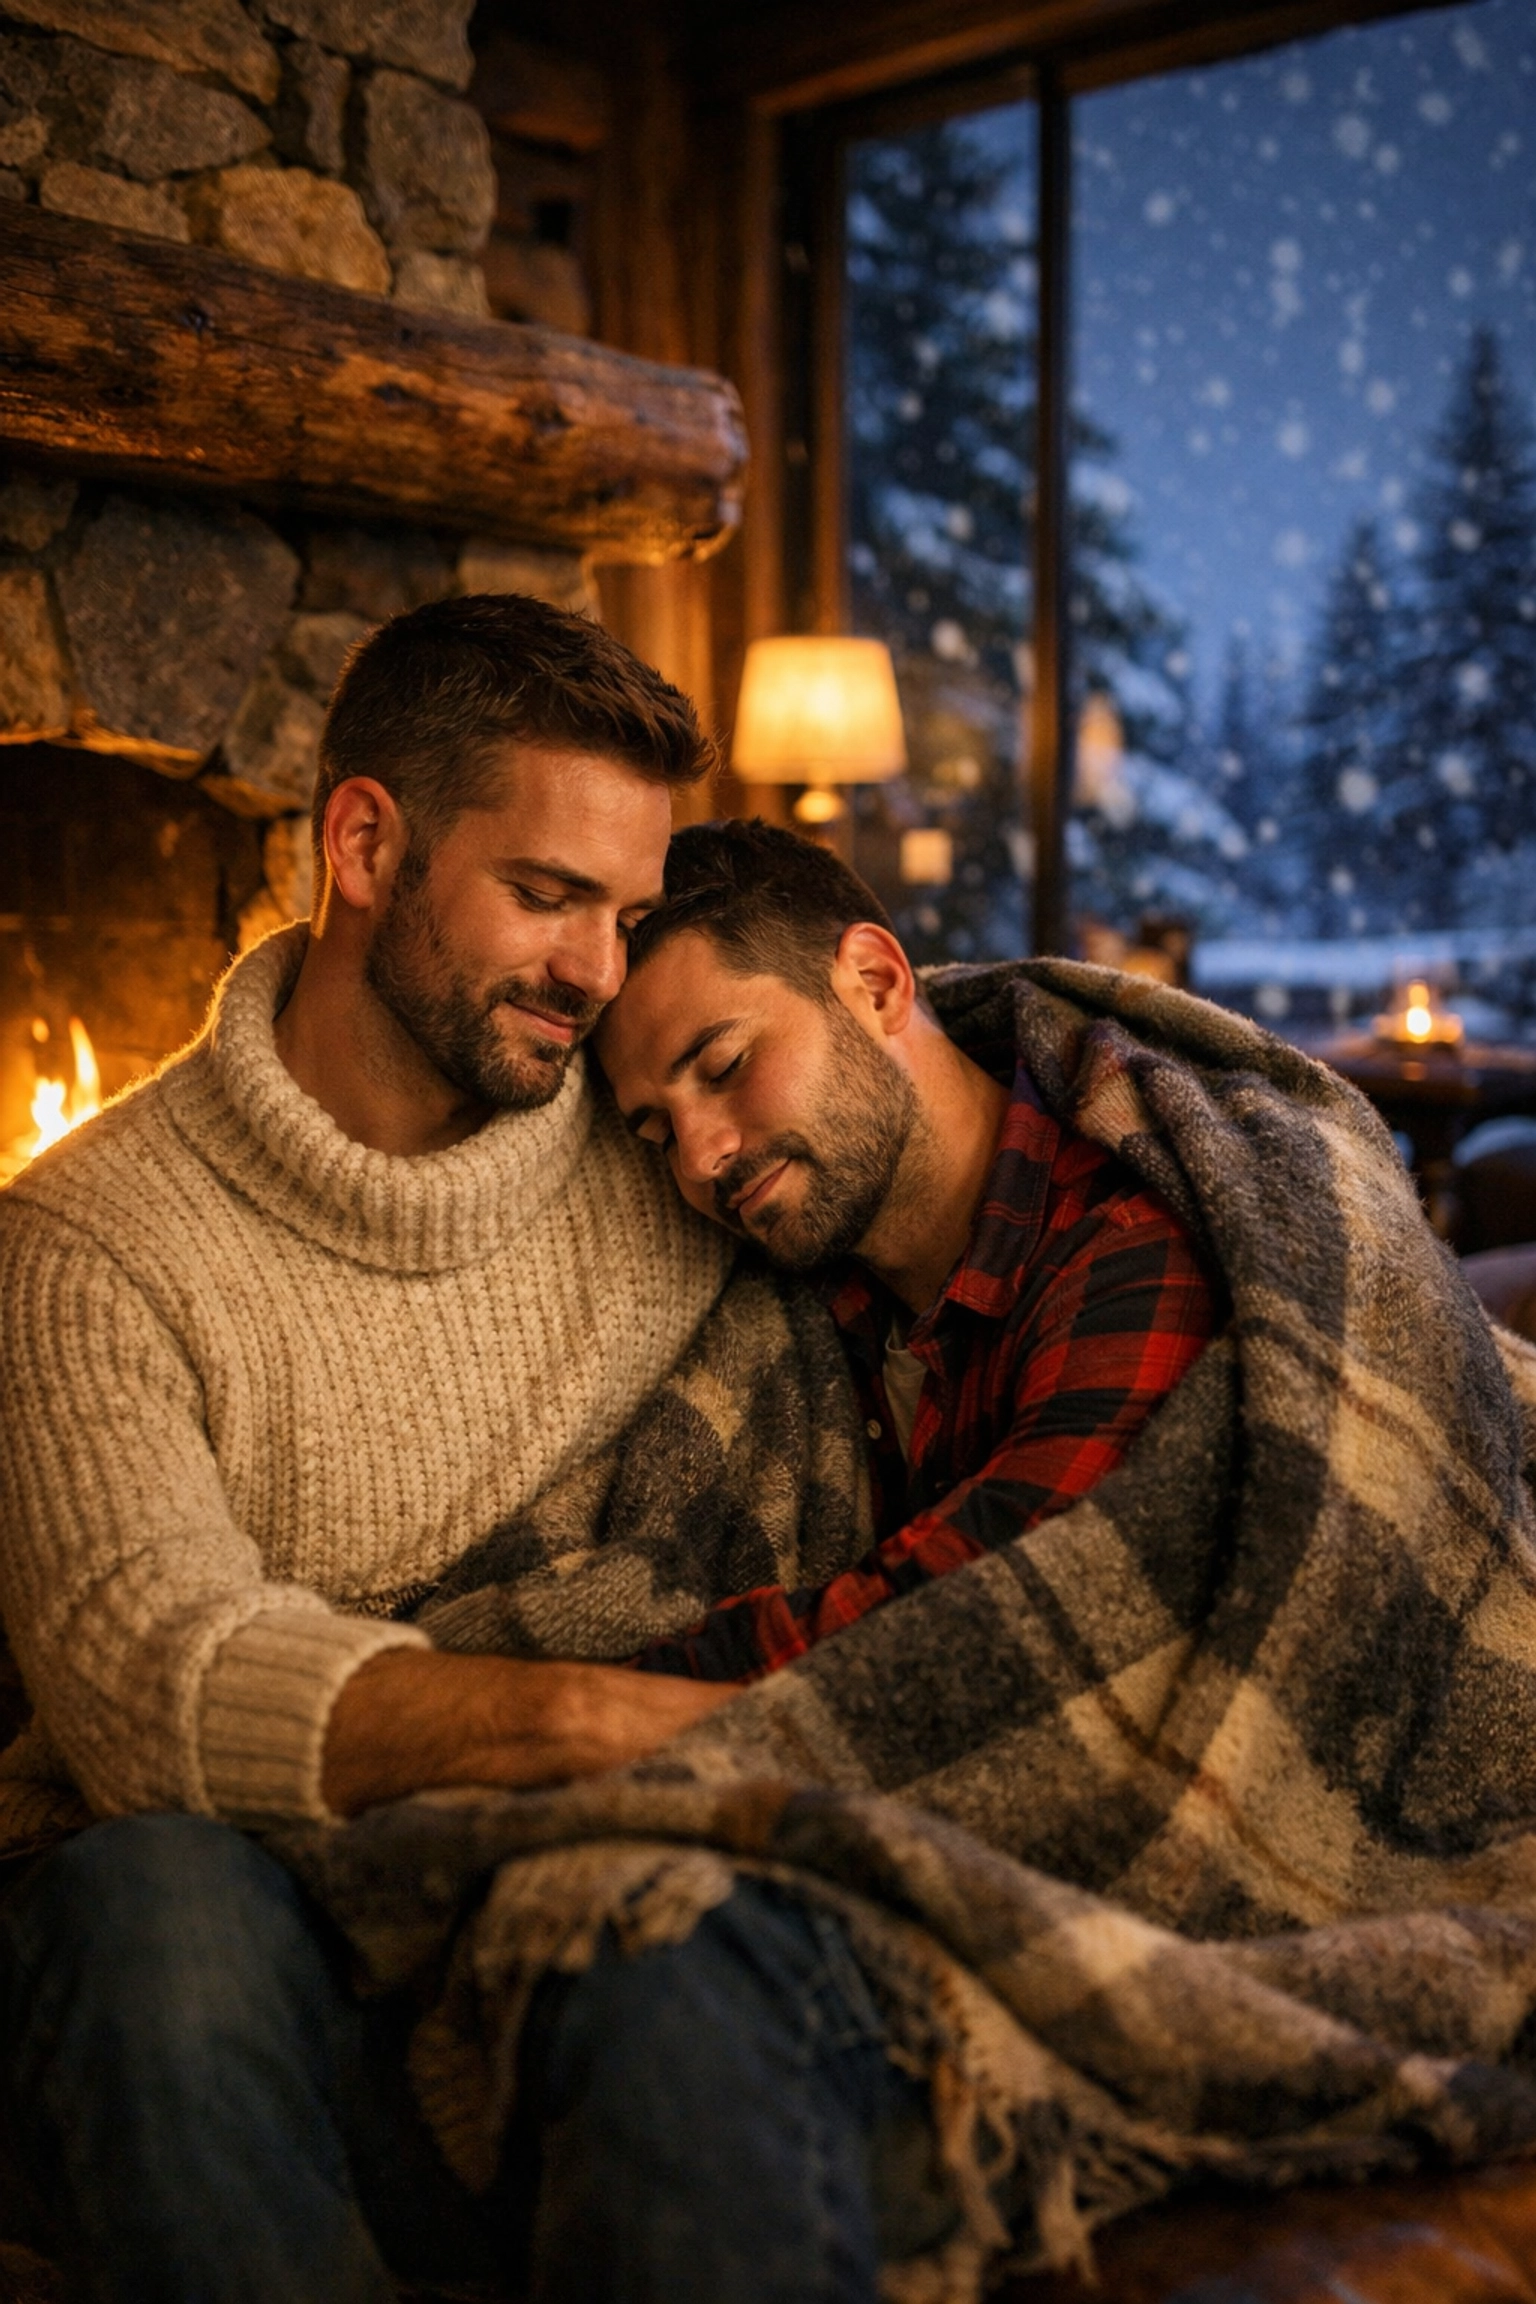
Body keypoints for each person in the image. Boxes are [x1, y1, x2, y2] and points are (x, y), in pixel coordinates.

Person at [597, 816, 1220, 1681]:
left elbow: (984, 1620)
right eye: (657, 1132)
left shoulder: (1128, 1247)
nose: (700, 1157)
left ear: (877, 982)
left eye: (727, 1064)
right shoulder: (809, 1303)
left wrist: (585, 1699)